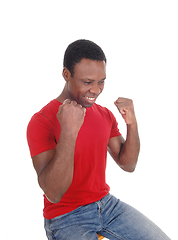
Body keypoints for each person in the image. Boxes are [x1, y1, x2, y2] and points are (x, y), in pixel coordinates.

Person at [27, 39, 170, 240]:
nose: (96, 90)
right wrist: (69, 131)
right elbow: (53, 192)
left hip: (107, 205)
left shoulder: (104, 115)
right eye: (87, 82)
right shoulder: (41, 121)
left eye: (101, 81)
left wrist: (132, 123)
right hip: (66, 216)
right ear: (66, 74)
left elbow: (128, 164)